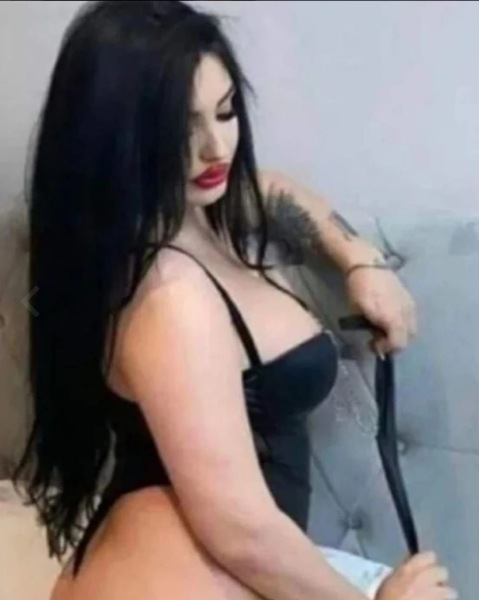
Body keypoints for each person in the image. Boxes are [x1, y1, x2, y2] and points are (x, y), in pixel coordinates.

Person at [11, 2, 456, 599]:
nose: (216, 147)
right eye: (181, 128)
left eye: (225, 111)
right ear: (118, 133)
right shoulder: (169, 295)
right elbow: (239, 529)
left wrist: (360, 260)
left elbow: (273, 190)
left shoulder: (188, 213)